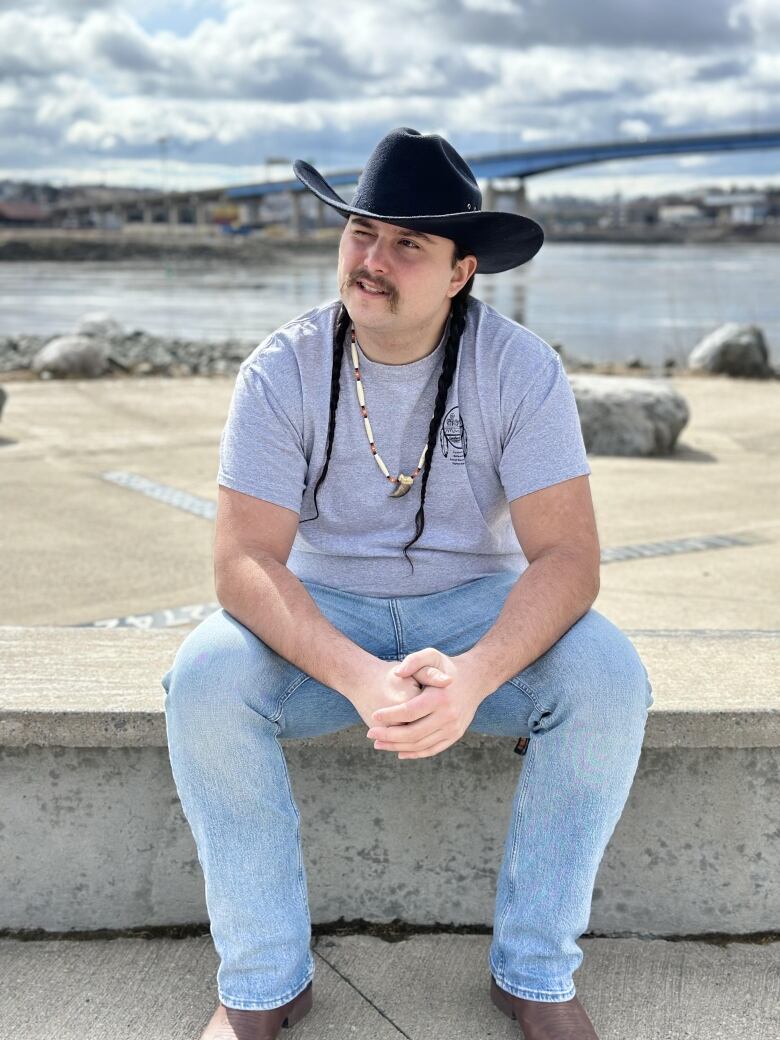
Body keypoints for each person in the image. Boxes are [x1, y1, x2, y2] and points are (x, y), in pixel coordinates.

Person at [161, 126, 653, 1040]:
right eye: (361, 233)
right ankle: (264, 984)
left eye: (407, 244)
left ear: (462, 271)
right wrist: (356, 673)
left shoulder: (520, 368)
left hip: (474, 610)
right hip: (324, 613)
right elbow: (244, 563)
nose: (372, 260)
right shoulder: (283, 368)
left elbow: (568, 560)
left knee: (608, 677)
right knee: (205, 680)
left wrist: (474, 678)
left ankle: (537, 976)